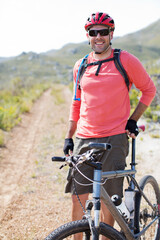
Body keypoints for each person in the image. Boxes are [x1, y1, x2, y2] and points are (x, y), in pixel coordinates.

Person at [63, 12, 156, 240]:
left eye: (103, 32)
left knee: (109, 201)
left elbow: (149, 90)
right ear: (88, 35)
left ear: (111, 34)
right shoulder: (81, 65)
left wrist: (133, 119)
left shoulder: (124, 60)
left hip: (114, 138)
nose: (98, 37)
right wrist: (68, 137)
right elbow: (76, 103)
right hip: (85, 139)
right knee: (79, 198)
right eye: (93, 32)